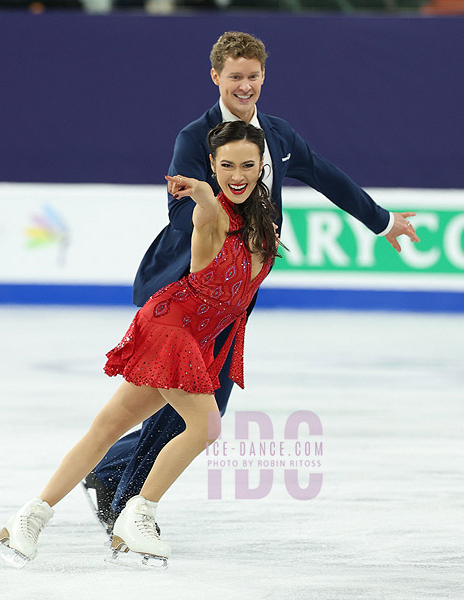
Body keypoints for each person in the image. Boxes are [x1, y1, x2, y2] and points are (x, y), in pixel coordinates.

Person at [84, 31, 420, 529]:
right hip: (188, 291)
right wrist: (226, 215)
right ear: (216, 76)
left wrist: (382, 220)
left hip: (236, 296)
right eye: (235, 76)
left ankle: (110, 474)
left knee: (205, 406)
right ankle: (126, 504)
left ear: (264, 76)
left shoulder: (278, 136)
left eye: (254, 76)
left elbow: (326, 174)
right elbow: (181, 215)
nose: (245, 86)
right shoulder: (194, 139)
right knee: (197, 408)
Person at [0, 121, 284, 569]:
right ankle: (138, 513)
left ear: (262, 165)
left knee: (107, 427)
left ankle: (27, 519)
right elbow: (208, 203)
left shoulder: (261, 218)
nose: (237, 175)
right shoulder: (212, 212)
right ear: (212, 165)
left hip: (187, 333)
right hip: (172, 331)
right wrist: (202, 191)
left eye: (247, 165)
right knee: (206, 427)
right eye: (226, 166)